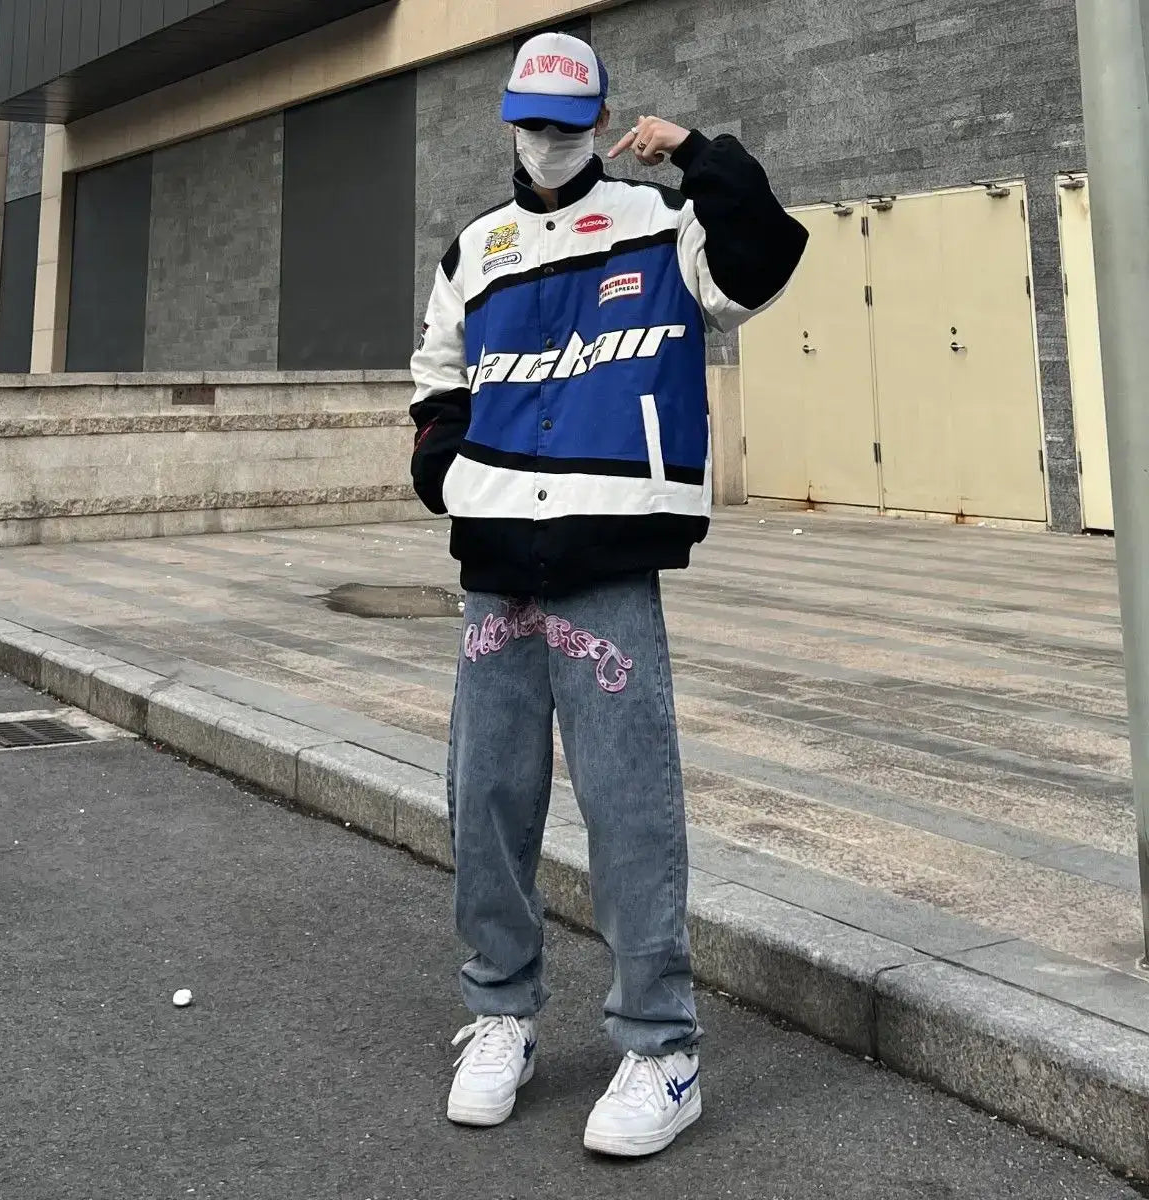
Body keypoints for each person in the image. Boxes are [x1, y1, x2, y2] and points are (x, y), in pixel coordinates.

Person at [409, 30, 808, 1157]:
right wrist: (442, 462)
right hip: (495, 572)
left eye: (566, 124)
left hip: (608, 568)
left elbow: (765, 259)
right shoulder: (474, 247)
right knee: (486, 799)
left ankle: (663, 1047)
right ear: (506, 122)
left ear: (597, 121)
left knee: (631, 810)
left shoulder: (658, 223)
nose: (547, 143)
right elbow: (435, 369)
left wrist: (701, 156)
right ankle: (500, 1016)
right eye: (530, 124)